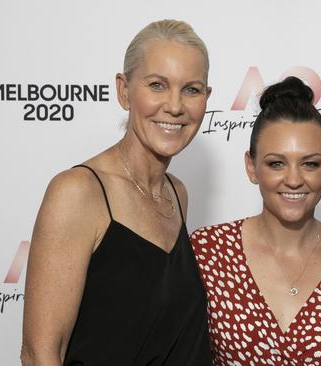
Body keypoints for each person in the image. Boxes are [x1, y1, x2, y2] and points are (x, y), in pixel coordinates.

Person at [20, 20, 213, 365]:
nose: (174, 106)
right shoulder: (78, 193)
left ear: (206, 99)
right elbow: (40, 354)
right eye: (157, 85)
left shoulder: (177, 195)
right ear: (124, 91)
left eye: (191, 89)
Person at [190, 76, 321, 365]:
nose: (293, 179)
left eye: (310, 163)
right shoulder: (208, 252)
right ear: (251, 167)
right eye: (276, 163)